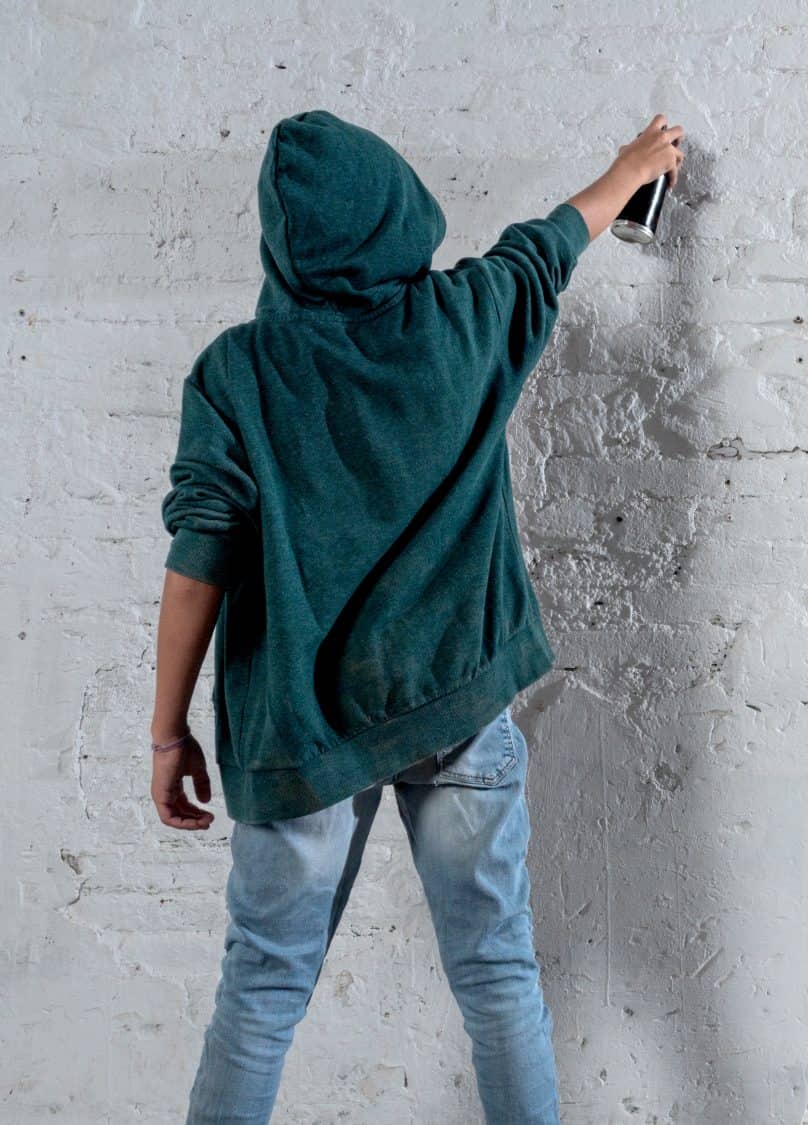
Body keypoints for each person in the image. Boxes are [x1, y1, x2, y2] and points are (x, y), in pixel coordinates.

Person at [149, 107, 685, 1124]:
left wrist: (168, 729)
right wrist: (629, 169)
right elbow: (550, 247)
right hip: (455, 703)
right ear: (400, 208)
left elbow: (196, 566)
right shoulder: (466, 320)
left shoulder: (238, 373)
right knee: (497, 983)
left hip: (302, 735)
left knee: (260, 999)